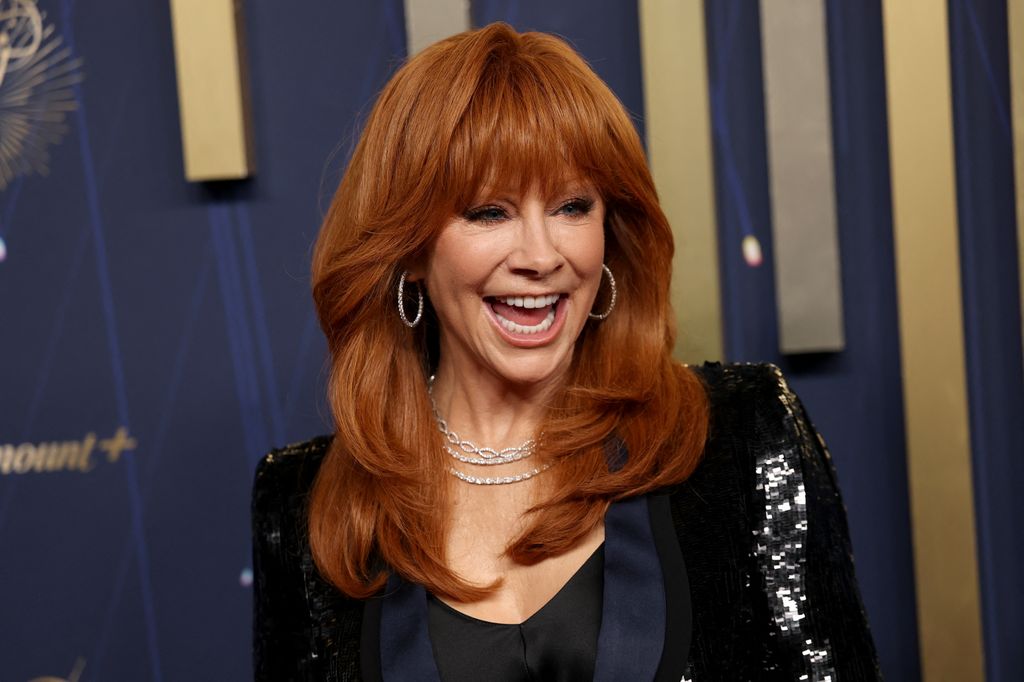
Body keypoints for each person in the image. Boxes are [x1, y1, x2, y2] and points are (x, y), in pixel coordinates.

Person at [252, 22, 880, 681]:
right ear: (407, 248)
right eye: (489, 212)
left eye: (571, 206)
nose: (542, 255)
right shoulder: (302, 504)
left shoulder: (741, 436)